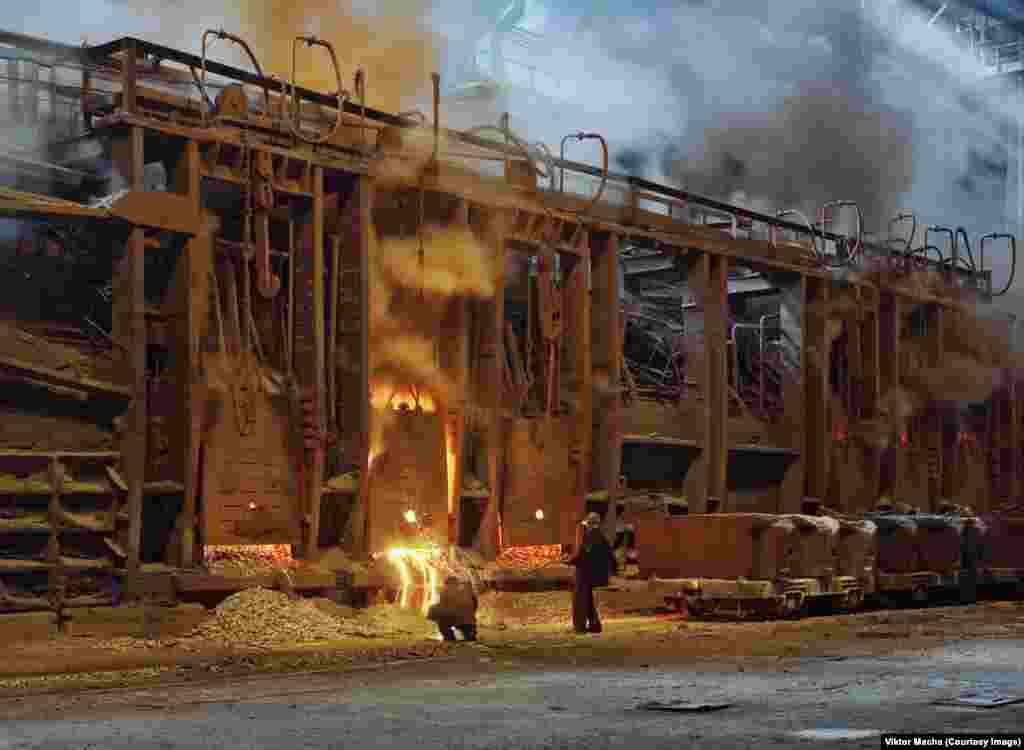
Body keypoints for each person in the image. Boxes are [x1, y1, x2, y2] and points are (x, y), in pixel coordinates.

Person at [567, 512, 618, 634]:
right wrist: (614, 571)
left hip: (588, 574)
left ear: (589, 524)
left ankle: (580, 627)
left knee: (580, 598)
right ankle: (595, 625)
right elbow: (610, 556)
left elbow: (585, 555)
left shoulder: (591, 536)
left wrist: (570, 561)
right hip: (597, 574)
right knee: (587, 598)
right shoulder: (600, 536)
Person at [427, 575, 479, 642]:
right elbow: (475, 604)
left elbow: (442, 606)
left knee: (434, 610)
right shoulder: (468, 591)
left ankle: (449, 636)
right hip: (470, 622)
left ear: (447, 584)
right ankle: (470, 633)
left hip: (456, 619)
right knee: (464, 620)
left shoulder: (445, 591)